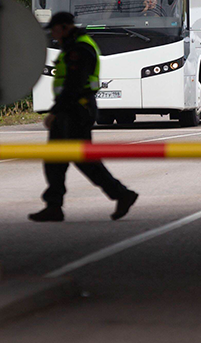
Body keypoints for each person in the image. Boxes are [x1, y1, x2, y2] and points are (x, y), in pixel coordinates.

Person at [28, 12, 139, 222]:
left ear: (65, 27)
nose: (52, 33)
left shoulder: (80, 48)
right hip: (72, 109)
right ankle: (54, 206)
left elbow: (73, 85)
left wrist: (55, 112)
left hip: (75, 111)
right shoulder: (72, 46)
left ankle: (121, 194)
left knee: (82, 160)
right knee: (58, 160)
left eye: (55, 29)